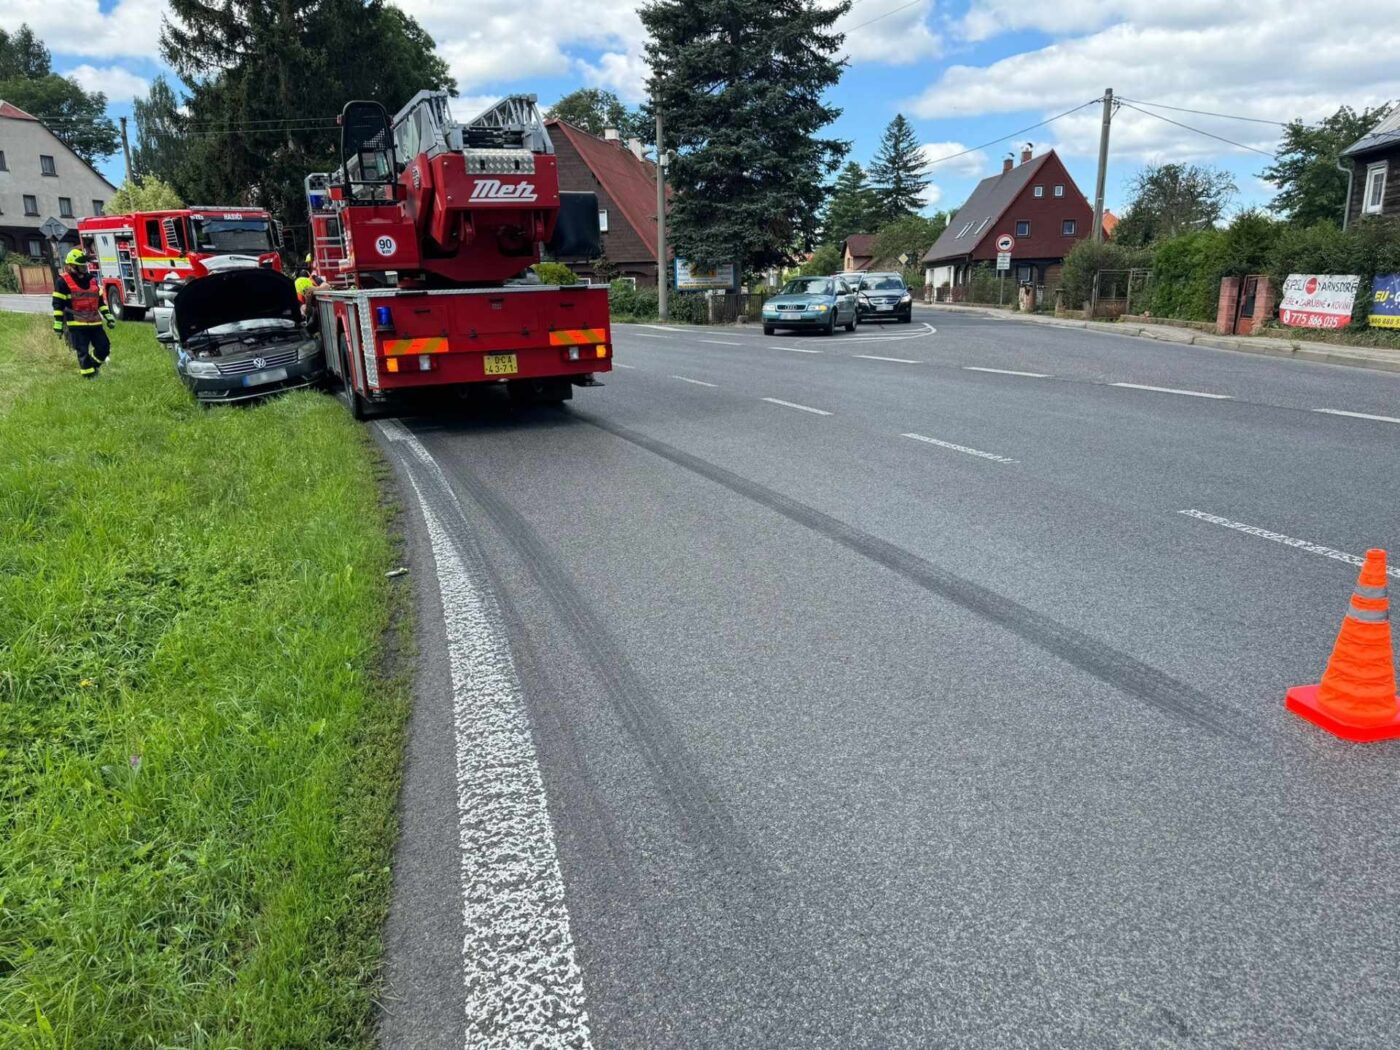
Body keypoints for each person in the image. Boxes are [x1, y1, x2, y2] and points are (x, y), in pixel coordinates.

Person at [52, 248, 115, 379]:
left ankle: (93, 366)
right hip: (76, 325)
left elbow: (99, 302)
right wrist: (58, 324)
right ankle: (89, 377)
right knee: (83, 352)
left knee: (104, 348)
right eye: (81, 265)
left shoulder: (91, 280)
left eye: (84, 265)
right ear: (72, 266)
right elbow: (58, 305)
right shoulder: (62, 281)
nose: (84, 267)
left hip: (95, 323)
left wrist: (108, 317)